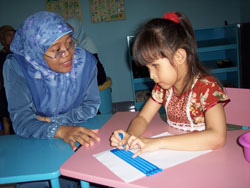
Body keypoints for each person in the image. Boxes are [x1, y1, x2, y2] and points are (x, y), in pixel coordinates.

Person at [110, 12, 230, 158]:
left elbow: (217, 138)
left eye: (155, 65)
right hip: (174, 156)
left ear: (179, 56)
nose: (151, 75)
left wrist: (157, 142)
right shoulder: (162, 88)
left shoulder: (207, 87)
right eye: (148, 68)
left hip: (205, 157)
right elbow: (142, 118)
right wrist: (130, 135)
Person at [3, 11, 101, 188]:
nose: (67, 54)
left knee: (97, 176)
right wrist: (60, 130)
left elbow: (91, 106)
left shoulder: (84, 62)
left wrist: (54, 121)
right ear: (36, 51)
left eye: (70, 44)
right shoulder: (18, 68)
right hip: (36, 142)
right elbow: (22, 122)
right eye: (56, 50)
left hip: (80, 131)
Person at [66, 17, 107, 86]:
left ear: (77, 28)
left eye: (71, 29)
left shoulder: (86, 42)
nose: (69, 32)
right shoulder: (69, 43)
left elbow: (94, 68)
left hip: (96, 76)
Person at [0, 25, 15, 135]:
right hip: (4, 90)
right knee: (5, 116)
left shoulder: (17, 54)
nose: (12, 37)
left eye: (13, 35)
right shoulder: (1, 56)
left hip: (17, 89)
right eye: (9, 35)